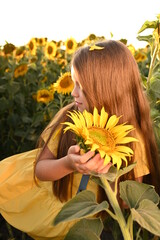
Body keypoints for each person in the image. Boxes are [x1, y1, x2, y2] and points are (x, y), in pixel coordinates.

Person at [0, 40, 160, 240]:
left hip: (85, 221)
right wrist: (69, 163)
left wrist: (109, 173)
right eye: (73, 83)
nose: (73, 93)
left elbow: (127, 202)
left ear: (108, 89)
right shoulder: (70, 117)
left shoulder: (133, 137)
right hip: (44, 199)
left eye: (80, 86)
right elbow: (41, 170)